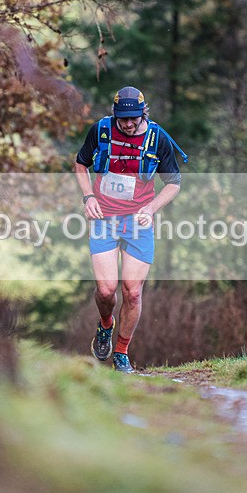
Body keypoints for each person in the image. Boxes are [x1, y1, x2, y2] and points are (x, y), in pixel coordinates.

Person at [74, 86, 182, 373]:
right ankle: (106, 325)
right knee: (107, 290)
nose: (129, 123)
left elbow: (173, 183)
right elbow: (80, 164)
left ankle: (121, 352)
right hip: (104, 219)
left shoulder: (157, 138)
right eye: (123, 119)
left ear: (143, 113)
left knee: (132, 292)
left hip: (138, 221)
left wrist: (151, 208)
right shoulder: (101, 131)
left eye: (134, 118)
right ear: (115, 115)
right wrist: (89, 197)